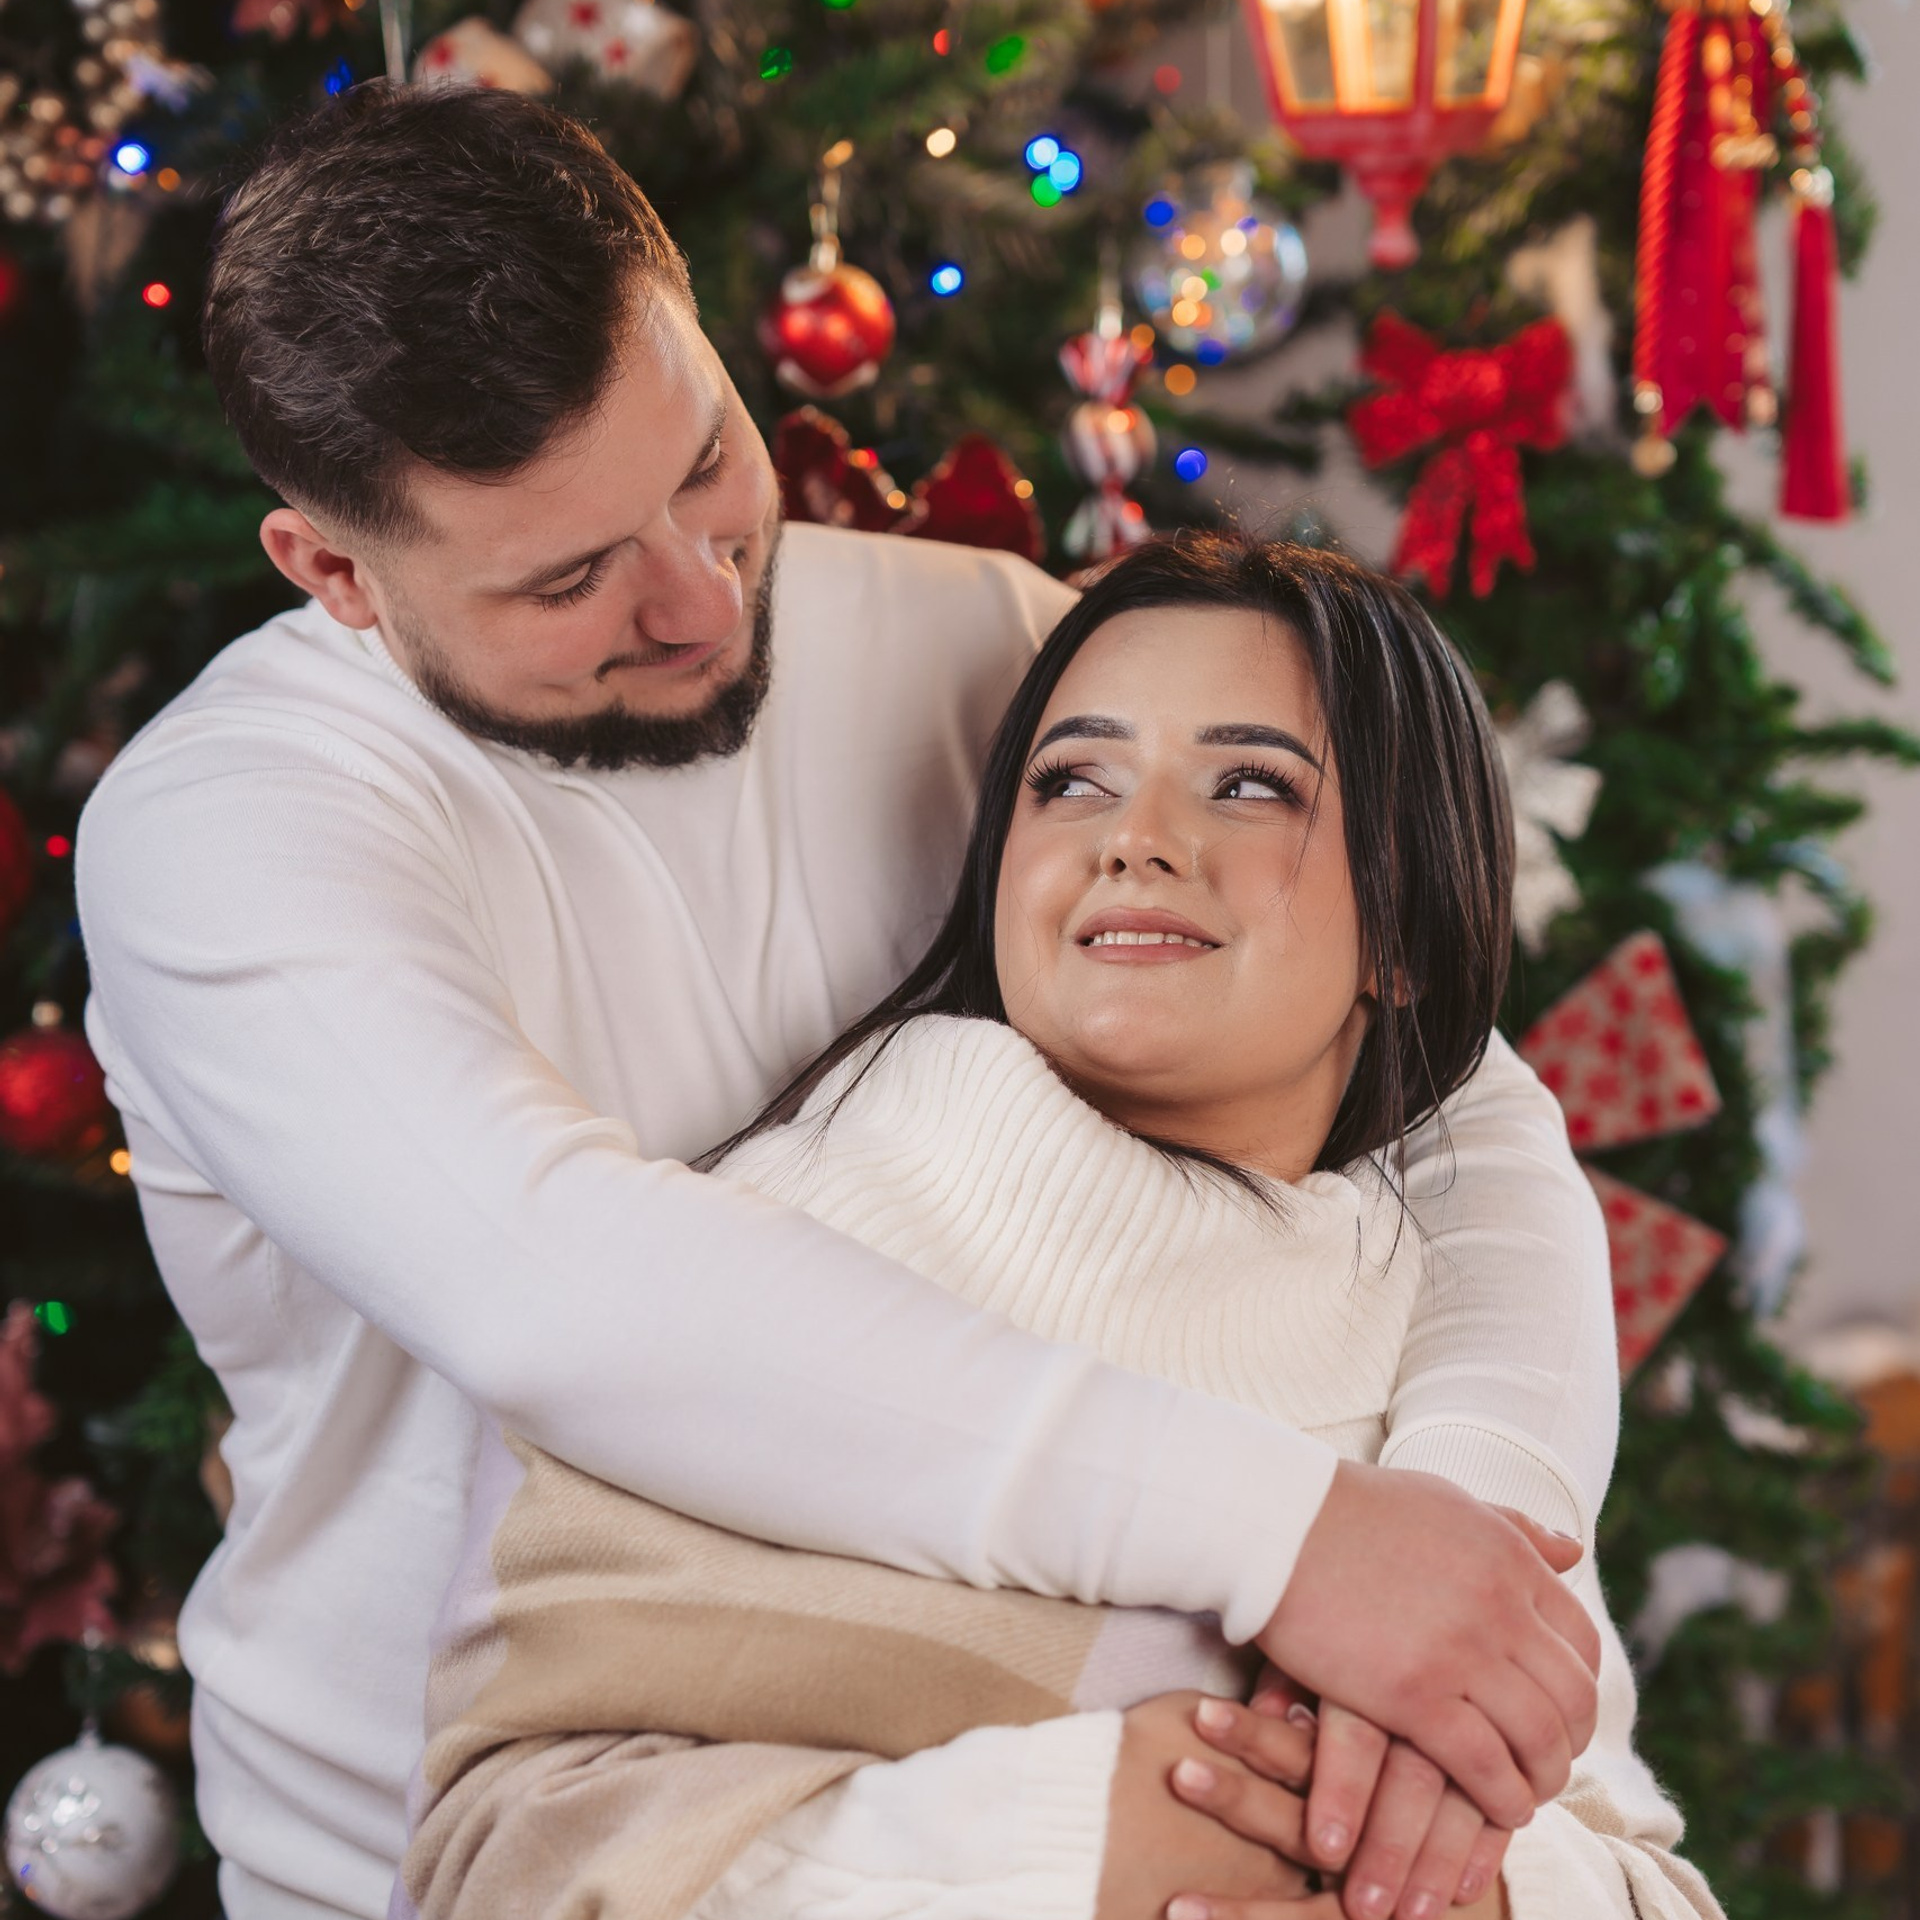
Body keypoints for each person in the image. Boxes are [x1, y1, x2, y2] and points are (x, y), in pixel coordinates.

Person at [75, 86, 1607, 1920]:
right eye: (571, 578)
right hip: (450, 1850)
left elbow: (1453, 1080)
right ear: (331, 569)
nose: (704, 597)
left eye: (709, 461)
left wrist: (1464, 1542)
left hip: (1068, 1785)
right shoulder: (232, 831)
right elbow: (564, 1292)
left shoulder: (974, 640)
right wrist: (1298, 1544)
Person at [397, 536, 1716, 1920]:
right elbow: (508, 1851)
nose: (1133, 837)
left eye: (1252, 784)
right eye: (1071, 779)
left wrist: (1470, 1891)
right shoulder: (748, 1286)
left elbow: (1640, 1879)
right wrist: (1073, 1839)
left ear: (1406, 930)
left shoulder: (1428, 1361)